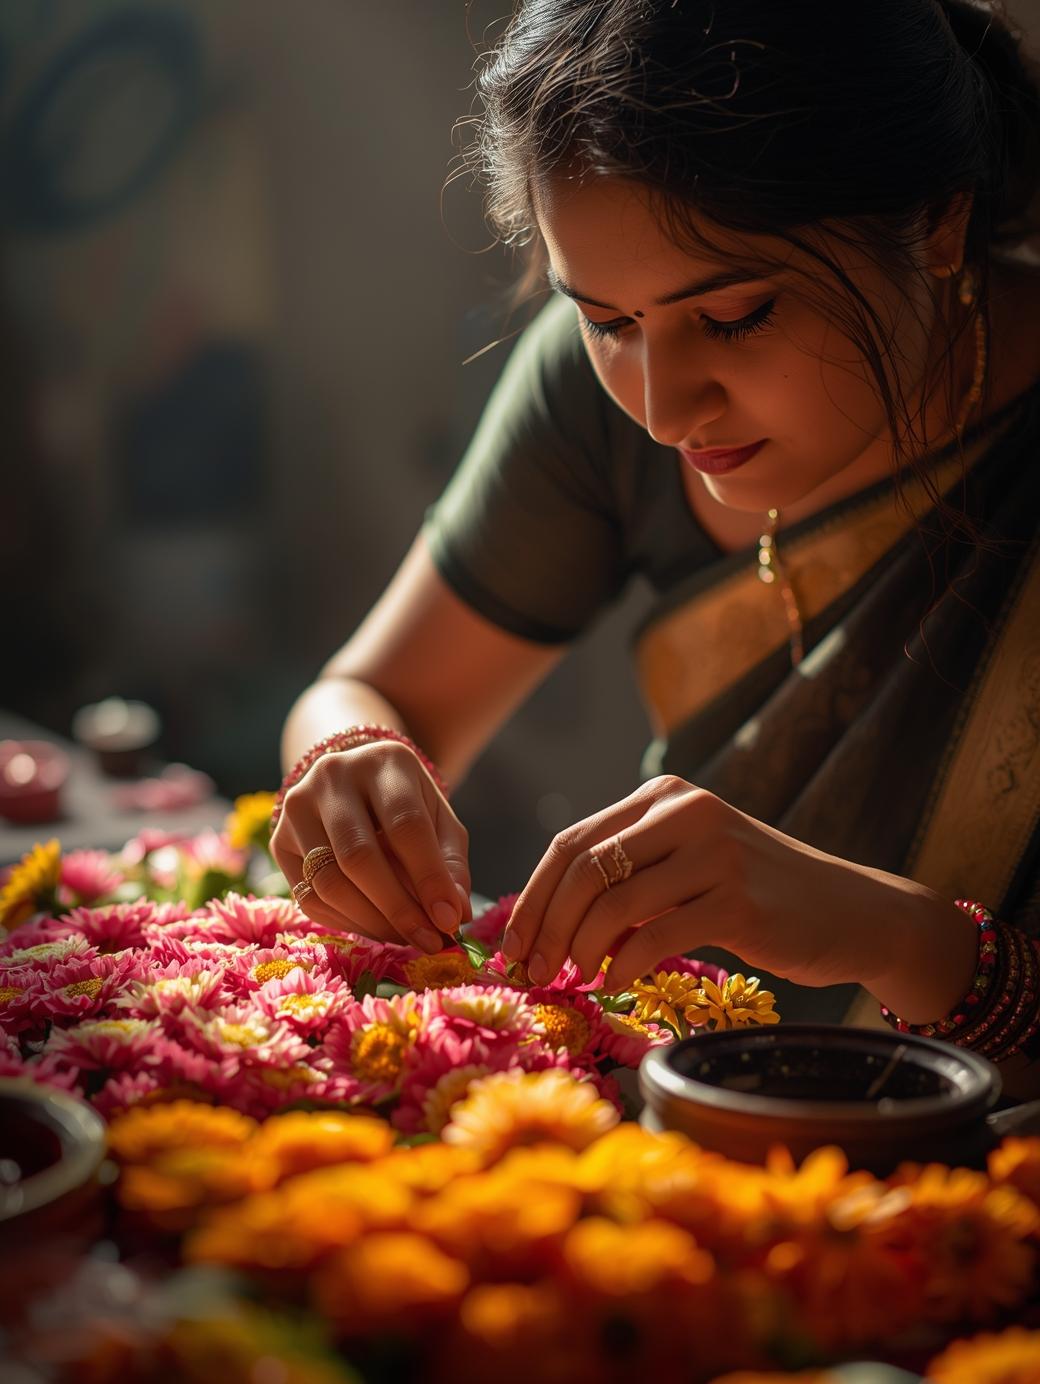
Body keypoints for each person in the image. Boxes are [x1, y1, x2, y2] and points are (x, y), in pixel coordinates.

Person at [271, 0, 1040, 1098]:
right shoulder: (595, 399)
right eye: (604, 321)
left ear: (935, 226)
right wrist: (345, 765)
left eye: (734, 315)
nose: (663, 405)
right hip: (653, 1130)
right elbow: (371, 689)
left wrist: (891, 932)